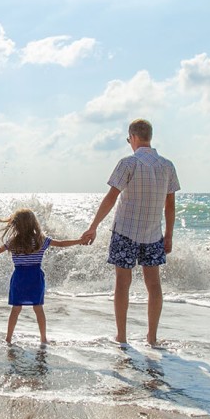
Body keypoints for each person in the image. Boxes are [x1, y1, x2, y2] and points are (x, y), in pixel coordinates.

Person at [80, 118, 180, 346]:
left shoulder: (128, 163)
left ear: (133, 137)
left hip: (125, 232)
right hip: (153, 234)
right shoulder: (167, 165)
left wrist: (93, 226)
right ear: (149, 137)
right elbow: (170, 206)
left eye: (129, 139)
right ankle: (152, 338)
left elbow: (111, 198)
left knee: (122, 284)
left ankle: (122, 337)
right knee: (154, 285)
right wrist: (169, 235)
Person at [0, 208, 85, 344]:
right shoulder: (41, 240)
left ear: (16, 224)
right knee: (38, 308)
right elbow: (61, 244)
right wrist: (80, 241)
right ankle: (43, 338)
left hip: (19, 277)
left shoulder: (13, 241)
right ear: (33, 223)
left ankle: (8, 338)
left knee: (16, 309)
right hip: (35, 277)